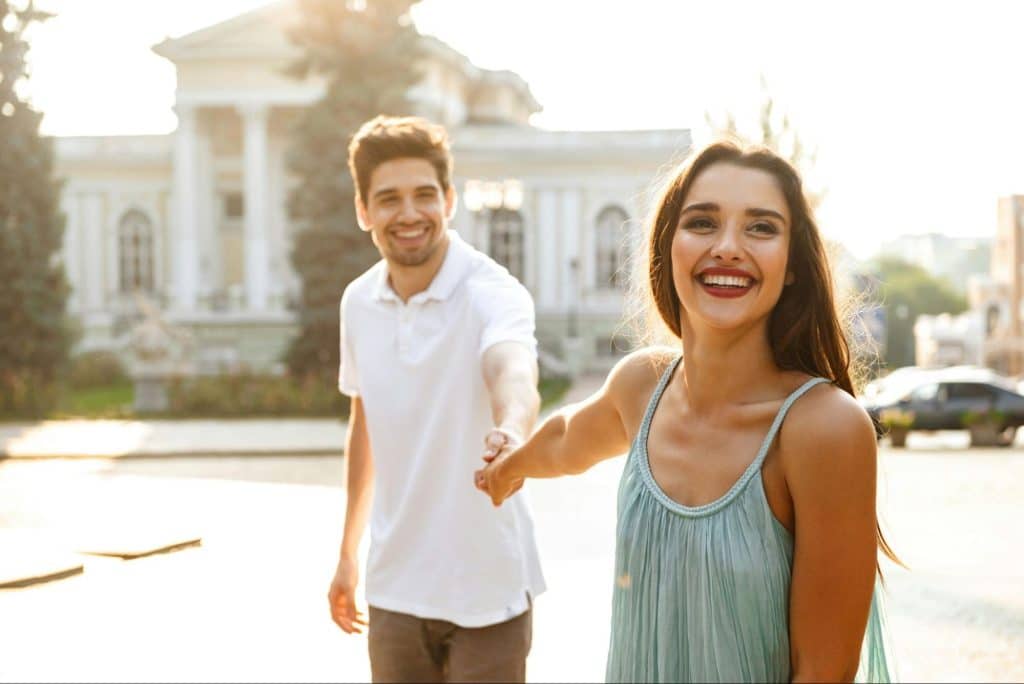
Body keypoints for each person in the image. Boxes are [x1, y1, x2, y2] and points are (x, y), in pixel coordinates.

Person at [476, 140, 897, 682]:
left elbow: (823, 672)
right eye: (702, 223)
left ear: (792, 264)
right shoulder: (641, 385)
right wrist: (507, 467)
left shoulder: (824, 427)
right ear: (666, 245)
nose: (727, 247)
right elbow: (565, 440)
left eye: (761, 228)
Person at [328, 115, 545, 683]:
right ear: (363, 210)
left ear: (448, 201)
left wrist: (512, 431)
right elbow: (365, 424)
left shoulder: (492, 291)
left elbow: (512, 369)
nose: (409, 213)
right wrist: (348, 552)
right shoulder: (358, 302)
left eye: (424, 195)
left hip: (488, 591)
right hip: (395, 590)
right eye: (389, 198)